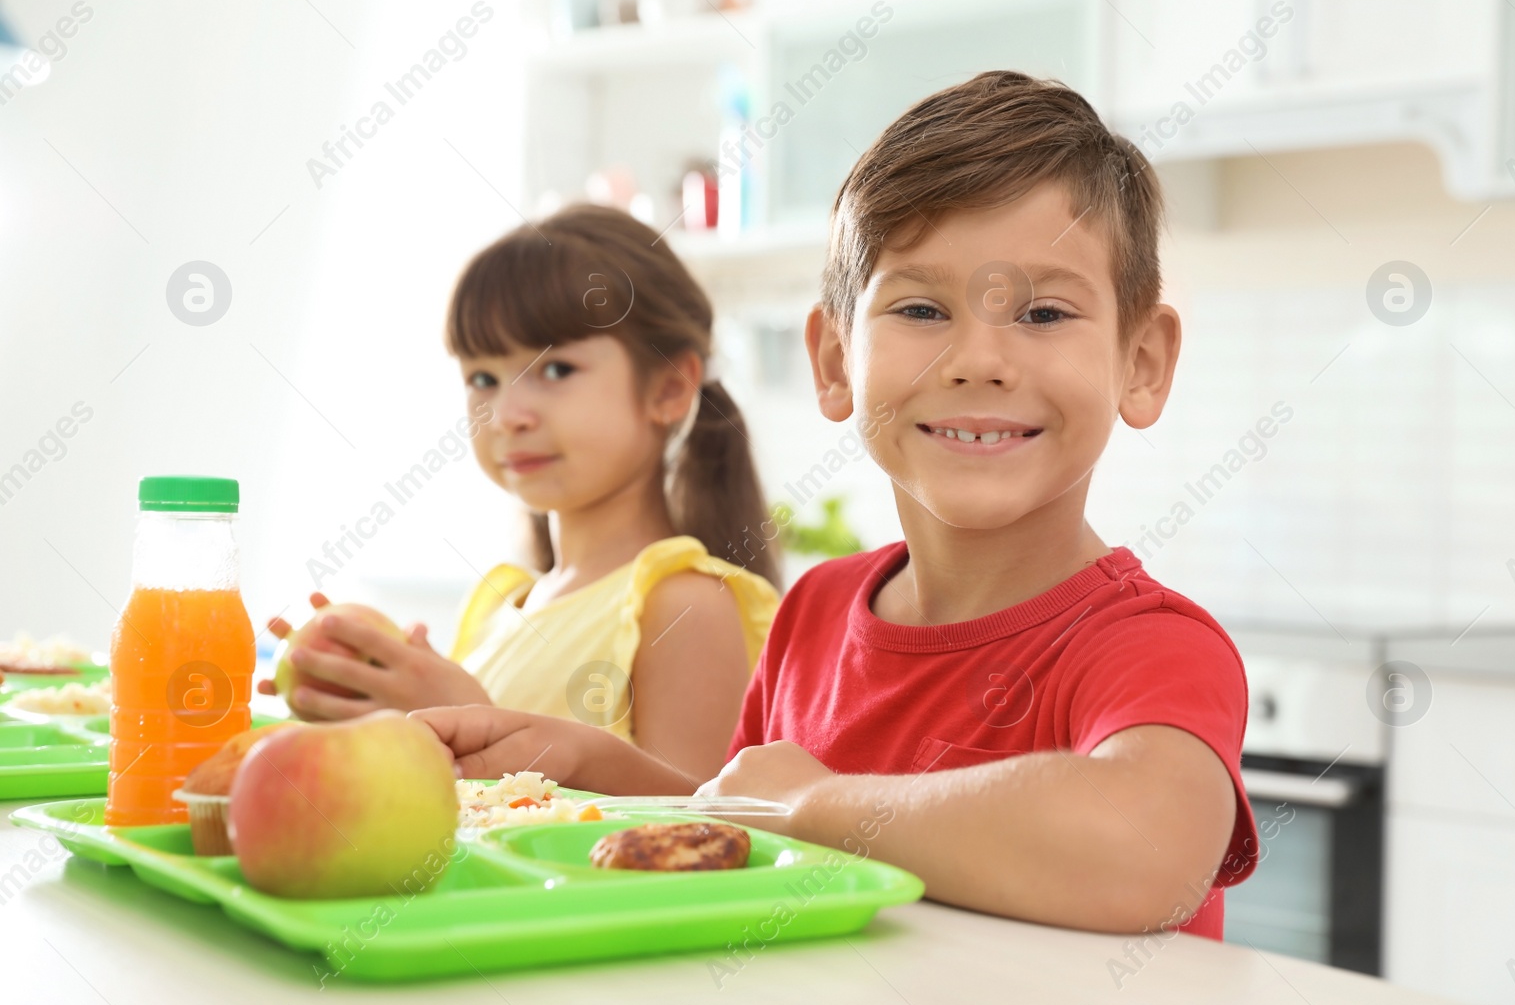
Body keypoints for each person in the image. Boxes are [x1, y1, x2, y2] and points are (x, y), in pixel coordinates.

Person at [414, 72, 1257, 937]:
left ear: (1143, 362)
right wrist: (589, 763)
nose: (978, 359)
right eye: (921, 308)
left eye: (1043, 312)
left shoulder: (1154, 647)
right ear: (833, 361)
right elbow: (748, 822)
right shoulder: (812, 615)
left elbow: (1140, 849)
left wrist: (816, 801)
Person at [263, 205, 782, 786]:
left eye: (556, 369)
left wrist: (472, 713)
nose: (509, 415)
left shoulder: (682, 603)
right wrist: (373, 716)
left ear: (668, 387)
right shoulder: (497, 605)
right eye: (483, 378)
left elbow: (705, 834)